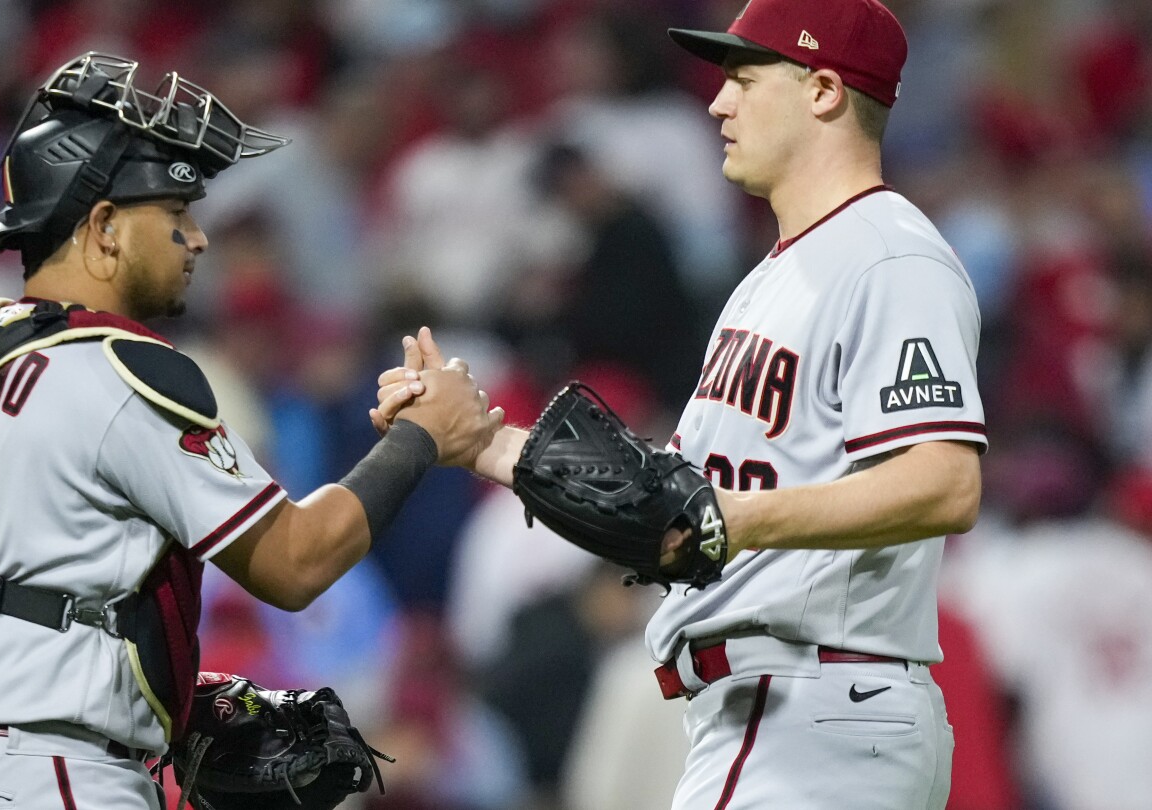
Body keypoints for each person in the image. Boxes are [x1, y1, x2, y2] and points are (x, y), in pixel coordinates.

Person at [376, 1, 985, 807]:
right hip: (776, 710)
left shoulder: (889, 255)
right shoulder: (767, 281)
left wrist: (736, 520)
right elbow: (662, 505)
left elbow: (945, 482)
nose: (719, 102)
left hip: (817, 704)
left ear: (825, 91)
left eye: (746, 77)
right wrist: (482, 440)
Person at [0, 53, 500, 810]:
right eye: (174, 215)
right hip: (59, 777)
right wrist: (422, 437)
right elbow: (294, 563)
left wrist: (162, 686)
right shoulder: (119, 369)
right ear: (104, 228)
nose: (197, 240)